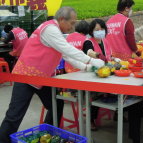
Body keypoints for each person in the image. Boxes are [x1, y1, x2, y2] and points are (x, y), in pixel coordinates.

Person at [0, 7, 105, 143]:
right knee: (14, 114)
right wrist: (92, 60)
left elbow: (65, 55)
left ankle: (47, 136)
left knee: (56, 104)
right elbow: (67, 49)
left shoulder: (56, 31)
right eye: (71, 23)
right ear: (62, 19)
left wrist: (87, 67)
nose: (73, 27)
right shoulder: (50, 29)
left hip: (41, 79)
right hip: (25, 76)